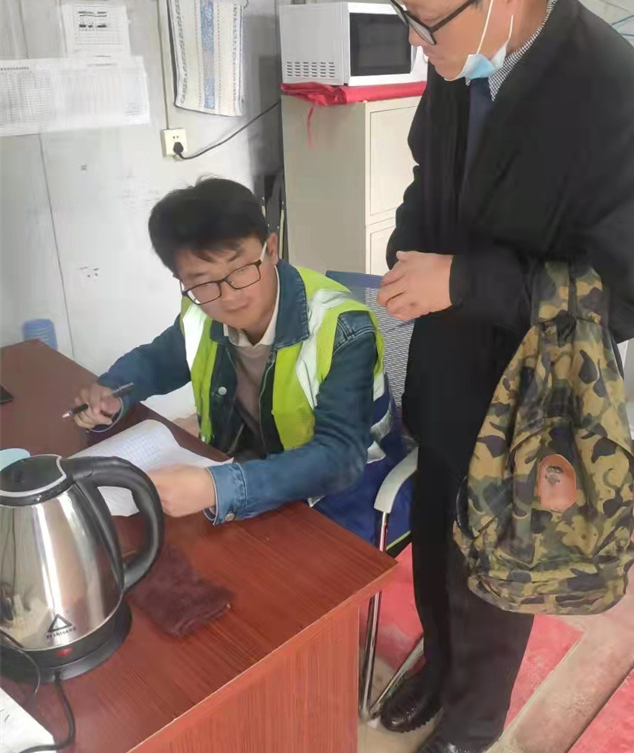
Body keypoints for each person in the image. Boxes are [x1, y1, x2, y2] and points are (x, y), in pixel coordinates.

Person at [376, 0, 634, 753]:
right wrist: (406, 246)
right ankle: (438, 667)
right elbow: (430, 177)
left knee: (493, 571)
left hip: (527, 395)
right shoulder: (461, 51)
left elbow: (632, 294)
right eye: (402, 10)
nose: (416, 38)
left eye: (426, 18)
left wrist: (464, 281)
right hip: (444, 364)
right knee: (433, 533)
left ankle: (474, 722)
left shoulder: (616, 101)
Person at [74, 177, 408, 545]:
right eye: (204, 282)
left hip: (342, 498)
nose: (229, 296)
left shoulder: (343, 327)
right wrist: (114, 391)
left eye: (241, 270)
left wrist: (218, 488)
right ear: (180, 279)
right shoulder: (201, 311)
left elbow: (339, 457)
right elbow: (158, 361)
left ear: (271, 249)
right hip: (250, 476)